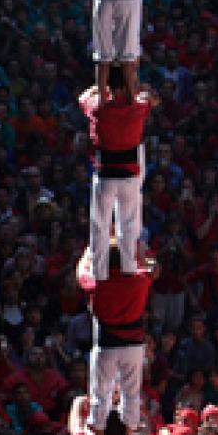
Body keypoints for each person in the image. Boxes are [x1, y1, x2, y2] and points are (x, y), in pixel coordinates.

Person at [79, 64, 155, 279]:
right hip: (129, 175)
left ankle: (99, 271)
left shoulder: (97, 107)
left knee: (100, 225)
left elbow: (82, 97)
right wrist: (137, 88)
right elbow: (152, 98)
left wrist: (98, 88)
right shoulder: (138, 106)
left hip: (105, 175)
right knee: (128, 225)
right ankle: (129, 267)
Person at [78, 245, 155, 432]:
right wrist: (140, 247)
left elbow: (81, 272)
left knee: (100, 395)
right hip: (133, 346)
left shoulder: (98, 283)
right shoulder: (139, 280)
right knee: (131, 394)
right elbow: (153, 267)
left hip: (107, 345)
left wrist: (88, 253)